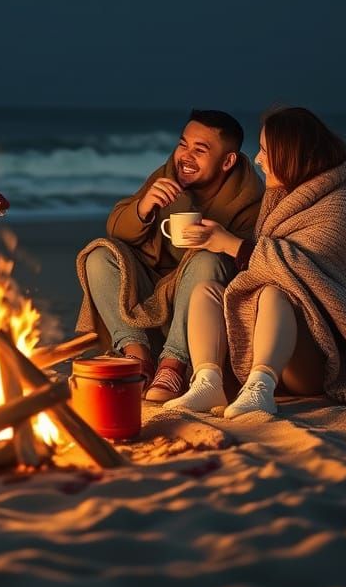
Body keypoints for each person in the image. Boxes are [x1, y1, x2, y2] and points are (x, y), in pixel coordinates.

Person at [165, 106, 346, 417]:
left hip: (321, 363)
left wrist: (232, 244)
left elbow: (299, 269)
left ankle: (259, 388)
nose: (258, 159)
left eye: (265, 150)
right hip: (275, 345)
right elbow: (273, 263)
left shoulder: (342, 203)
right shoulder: (284, 196)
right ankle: (207, 382)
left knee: (274, 293)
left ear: (290, 154)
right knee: (207, 291)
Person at [75, 109, 264, 403]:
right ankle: (138, 358)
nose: (185, 156)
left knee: (206, 258)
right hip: (153, 300)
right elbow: (117, 230)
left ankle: (173, 366)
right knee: (99, 254)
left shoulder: (250, 199)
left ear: (228, 161)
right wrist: (144, 207)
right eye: (182, 144)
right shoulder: (167, 177)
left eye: (199, 150)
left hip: (199, 320)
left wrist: (220, 239)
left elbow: (251, 271)